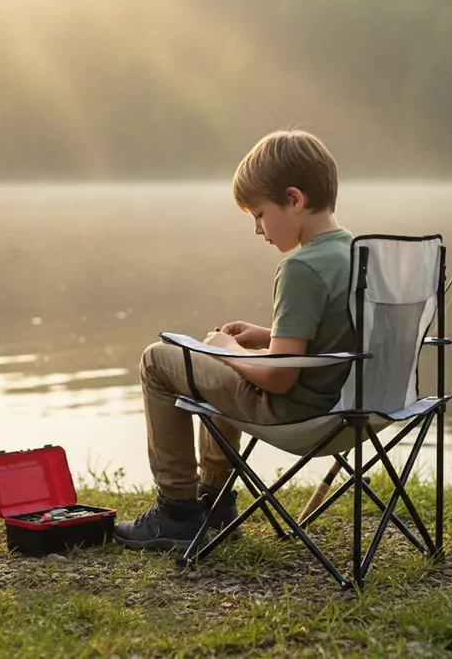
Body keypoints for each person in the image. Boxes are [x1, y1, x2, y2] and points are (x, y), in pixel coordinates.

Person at [113, 129, 354, 551]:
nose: (258, 229)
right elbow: (341, 336)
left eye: (259, 214)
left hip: (296, 413)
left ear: (294, 200)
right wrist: (267, 336)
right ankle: (216, 502)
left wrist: (228, 350)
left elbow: (278, 378)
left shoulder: (301, 268)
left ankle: (178, 513)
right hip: (353, 411)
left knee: (158, 360)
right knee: (218, 362)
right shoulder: (357, 252)